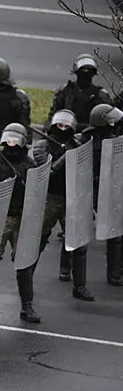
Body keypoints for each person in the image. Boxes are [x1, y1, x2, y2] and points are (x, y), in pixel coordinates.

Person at [33, 109, 95, 301]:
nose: (62, 129)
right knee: (38, 240)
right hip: (50, 197)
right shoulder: (42, 145)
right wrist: (65, 157)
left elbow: (85, 173)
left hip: (72, 196)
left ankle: (79, 285)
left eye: (66, 126)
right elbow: (47, 172)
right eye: (59, 126)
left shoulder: (77, 145)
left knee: (77, 241)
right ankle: (27, 281)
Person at [0, 123, 42, 323]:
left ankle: (27, 306)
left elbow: (38, 193)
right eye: (8, 141)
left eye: (14, 141)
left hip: (21, 218)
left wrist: (26, 185)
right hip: (1, 218)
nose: (11, 144)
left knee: (24, 264)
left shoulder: (30, 165)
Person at [79, 103, 123, 286]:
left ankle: (115, 272)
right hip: (92, 188)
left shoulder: (114, 139)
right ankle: (68, 271)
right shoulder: (86, 140)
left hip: (109, 187)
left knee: (116, 233)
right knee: (78, 232)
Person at [46, 54, 111, 132]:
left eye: (89, 71)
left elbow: (108, 120)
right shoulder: (65, 90)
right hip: (65, 132)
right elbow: (54, 114)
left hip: (91, 135)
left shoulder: (101, 95)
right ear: (76, 72)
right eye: (83, 70)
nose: (86, 73)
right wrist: (48, 131)